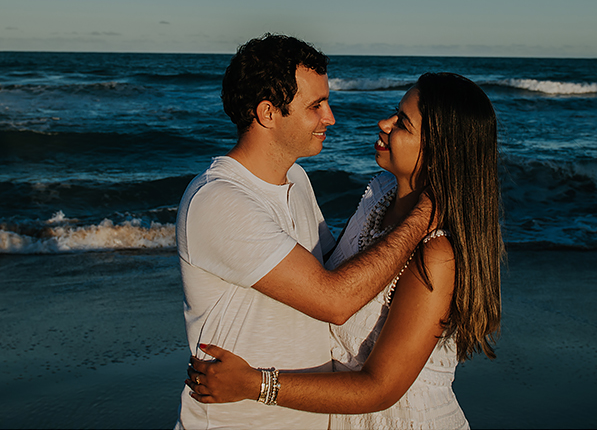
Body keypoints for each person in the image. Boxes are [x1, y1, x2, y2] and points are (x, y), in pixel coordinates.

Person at [187, 72, 505, 430]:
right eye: (394, 112)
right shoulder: (380, 194)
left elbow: (380, 388)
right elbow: (330, 284)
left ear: (439, 153)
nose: (384, 123)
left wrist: (254, 384)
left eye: (402, 123)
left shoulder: (437, 255)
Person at [175, 34, 433, 430]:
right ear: (268, 113)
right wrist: (425, 212)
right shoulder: (218, 200)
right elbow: (335, 300)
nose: (330, 118)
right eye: (316, 106)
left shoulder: (295, 178)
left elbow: (331, 268)